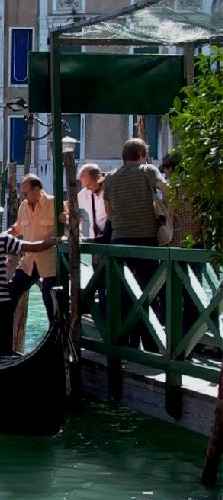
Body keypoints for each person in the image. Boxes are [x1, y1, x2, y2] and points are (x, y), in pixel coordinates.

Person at [0, 199, 58, 356]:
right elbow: (35, 247)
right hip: (0, 303)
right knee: (3, 349)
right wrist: (56, 240)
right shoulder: (2, 240)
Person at [103, 137, 168, 350]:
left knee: (123, 293)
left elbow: (109, 213)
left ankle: (125, 344)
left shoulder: (110, 178)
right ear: (141, 155)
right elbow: (166, 189)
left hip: (119, 241)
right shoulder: (147, 170)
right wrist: (164, 213)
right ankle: (152, 344)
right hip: (145, 240)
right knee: (149, 292)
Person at [8, 174, 65, 323]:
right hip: (29, 261)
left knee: (49, 298)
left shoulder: (55, 203)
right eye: (22, 193)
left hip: (50, 262)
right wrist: (1, 236)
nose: (23, 196)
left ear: (37, 189)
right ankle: (4, 332)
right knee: (11, 291)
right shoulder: (23, 207)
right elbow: (18, 228)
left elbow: (71, 226)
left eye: (25, 193)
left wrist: (67, 221)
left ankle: (56, 336)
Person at [160, 150, 204, 339]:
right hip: (196, 245)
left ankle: (176, 336)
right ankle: (194, 336)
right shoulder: (199, 186)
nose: (164, 174)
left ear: (171, 168)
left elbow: (169, 217)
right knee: (194, 292)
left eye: (165, 170)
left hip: (175, 246)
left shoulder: (173, 188)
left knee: (172, 293)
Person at [77, 163, 110, 311]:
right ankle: (103, 310)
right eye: (85, 185)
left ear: (98, 177)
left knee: (114, 278)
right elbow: (83, 220)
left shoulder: (110, 190)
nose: (87, 188)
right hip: (95, 241)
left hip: (111, 237)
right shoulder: (82, 195)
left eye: (89, 185)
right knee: (99, 278)